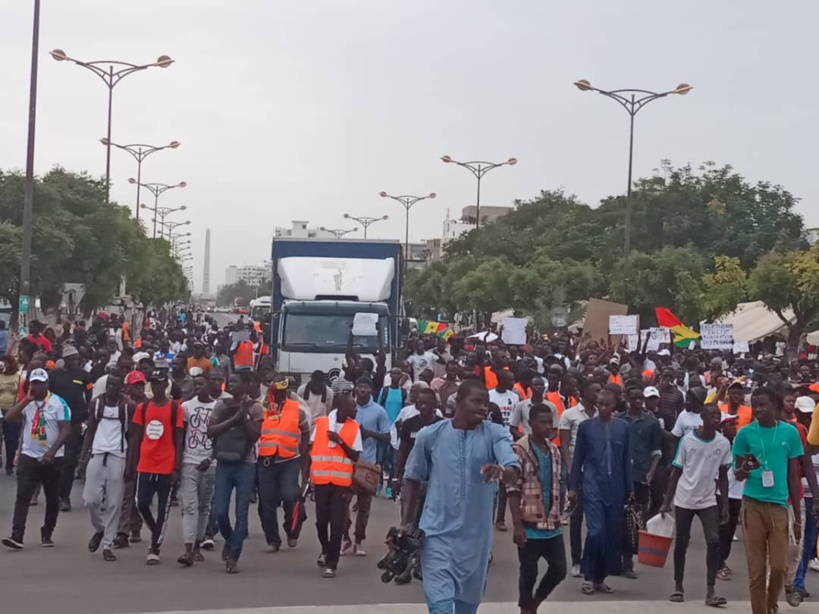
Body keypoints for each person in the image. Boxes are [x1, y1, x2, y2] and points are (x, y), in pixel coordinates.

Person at [401, 379, 520, 614]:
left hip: (475, 542)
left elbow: (513, 471)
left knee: (466, 608)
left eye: (486, 403)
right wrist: (406, 524)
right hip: (435, 534)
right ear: (458, 402)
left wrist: (502, 472)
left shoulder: (495, 434)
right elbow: (412, 479)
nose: (483, 408)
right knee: (441, 607)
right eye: (476, 402)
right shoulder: (430, 435)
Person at [733, 387, 805, 614]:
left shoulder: (790, 433)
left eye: (763, 405)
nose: (758, 410)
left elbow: (793, 476)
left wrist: (798, 518)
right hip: (752, 505)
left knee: (779, 566)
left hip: (779, 507)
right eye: (755, 405)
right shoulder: (745, 434)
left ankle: (771, 603)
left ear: (775, 405)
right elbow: (738, 474)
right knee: (756, 570)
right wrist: (746, 466)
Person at [660, 404, 730, 606]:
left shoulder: (723, 443)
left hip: (708, 499)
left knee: (714, 540)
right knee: (681, 542)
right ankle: (678, 586)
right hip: (685, 498)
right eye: (712, 415)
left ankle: (710, 591)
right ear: (703, 418)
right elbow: (676, 472)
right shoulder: (688, 440)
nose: (716, 419)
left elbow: (723, 476)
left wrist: (724, 505)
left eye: (718, 416)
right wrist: (667, 502)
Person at [568, 387, 632, 595]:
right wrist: (573, 486)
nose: (604, 408)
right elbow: (578, 458)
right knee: (596, 532)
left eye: (608, 404)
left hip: (616, 488)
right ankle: (587, 575)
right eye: (600, 404)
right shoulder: (587, 427)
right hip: (592, 485)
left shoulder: (623, 427)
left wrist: (630, 487)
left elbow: (626, 460)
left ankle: (600, 577)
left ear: (614, 405)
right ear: (596, 405)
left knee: (611, 534)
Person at [1, 368, 71, 549]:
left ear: (47, 384)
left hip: (52, 458)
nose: (37, 386)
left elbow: (65, 430)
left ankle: (47, 531)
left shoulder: (58, 403)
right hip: (29, 456)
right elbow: (9, 418)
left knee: (52, 497)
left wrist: (52, 452)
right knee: (22, 496)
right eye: (34, 383)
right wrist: (26, 401)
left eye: (40, 383)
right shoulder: (27, 404)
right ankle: (17, 535)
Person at [508, 404, 567, 614]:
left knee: (559, 568)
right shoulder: (519, 449)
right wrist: (517, 525)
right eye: (542, 422)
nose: (548, 426)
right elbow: (513, 489)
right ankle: (526, 608)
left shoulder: (553, 449)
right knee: (528, 573)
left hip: (552, 522)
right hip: (529, 523)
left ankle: (535, 601)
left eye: (550, 422)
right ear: (530, 424)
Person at [207, 372, 263, 573]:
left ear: (247, 384)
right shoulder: (222, 405)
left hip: (246, 463)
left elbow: (255, 435)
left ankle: (234, 557)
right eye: (228, 381)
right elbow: (210, 431)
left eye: (234, 381)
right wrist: (234, 418)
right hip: (224, 460)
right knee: (220, 511)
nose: (230, 384)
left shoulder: (255, 407)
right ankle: (230, 540)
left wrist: (245, 416)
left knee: (241, 513)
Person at [130, 370, 184, 565]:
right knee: (141, 503)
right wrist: (132, 463)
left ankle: (155, 547)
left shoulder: (174, 408)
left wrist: (177, 468)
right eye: (153, 383)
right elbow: (136, 437)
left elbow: (179, 438)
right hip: (145, 463)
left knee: (163, 508)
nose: (155, 387)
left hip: (166, 464)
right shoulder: (142, 408)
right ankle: (156, 529)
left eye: (159, 383)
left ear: (166, 385)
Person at [307, 393, 362, 578]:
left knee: (337, 524)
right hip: (321, 482)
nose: (355, 410)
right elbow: (311, 449)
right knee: (321, 522)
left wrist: (340, 441)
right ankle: (325, 548)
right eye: (351, 407)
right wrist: (307, 478)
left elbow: (355, 456)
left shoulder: (354, 427)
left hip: (341, 484)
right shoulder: (322, 423)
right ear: (340, 407)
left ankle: (332, 563)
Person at [80, 369, 130, 562]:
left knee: (114, 502)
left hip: (118, 454)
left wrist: (131, 463)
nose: (110, 388)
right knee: (90, 499)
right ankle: (100, 529)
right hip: (98, 452)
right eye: (108, 384)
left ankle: (108, 544)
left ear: (121, 388)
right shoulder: (96, 403)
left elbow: (132, 436)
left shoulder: (127, 406)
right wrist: (83, 458)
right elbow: (90, 430)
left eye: (114, 385)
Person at [258, 375, 310, 552]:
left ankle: (292, 529)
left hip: (289, 460)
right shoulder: (261, 406)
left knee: (289, 496)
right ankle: (273, 540)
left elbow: (305, 431)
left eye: (284, 391)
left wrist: (302, 454)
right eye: (278, 391)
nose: (282, 394)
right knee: (267, 502)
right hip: (266, 459)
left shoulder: (297, 409)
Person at [618, 384, 662, 579]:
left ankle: (628, 562)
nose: (637, 401)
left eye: (640, 398)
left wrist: (651, 472)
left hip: (640, 477)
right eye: (634, 397)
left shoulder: (651, 423)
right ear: (627, 398)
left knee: (634, 520)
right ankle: (614, 558)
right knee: (617, 517)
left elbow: (656, 451)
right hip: (620, 476)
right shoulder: (618, 420)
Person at [557, 380, 599, 578]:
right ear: (583, 393)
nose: (599, 394)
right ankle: (576, 559)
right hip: (577, 468)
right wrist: (570, 468)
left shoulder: (602, 414)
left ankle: (593, 560)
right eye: (595, 390)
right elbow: (565, 443)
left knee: (595, 518)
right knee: (577, 515)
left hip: (597, 471)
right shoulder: (570, 414)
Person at [344, 376, 389, 555]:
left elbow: (387, 437)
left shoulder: (379, 411)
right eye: (359, 387)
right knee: (342, 503)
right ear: (355, 388)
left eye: (366, 387)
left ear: (371, 390)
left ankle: (358, 540)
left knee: (364, 505)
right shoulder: (347, 407)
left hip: (367, 463)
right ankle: (345, 538)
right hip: (347, 462)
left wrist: (368, 433)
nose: (362, 390)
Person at [177, 372, 218, 566]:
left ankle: (197, 545)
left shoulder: (218, 407)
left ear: (209, 385)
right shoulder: (186, 407)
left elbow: (220, 438)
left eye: (201, 384)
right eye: (195, 385)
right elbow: (180, 436)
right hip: (190, 461)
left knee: (204, 507)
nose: (197, 388)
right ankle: (187, 549)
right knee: (189, 506)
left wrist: (211, 458)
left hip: (210, 463)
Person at [48, 345, 92, 512]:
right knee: (53, 459)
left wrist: (86, 414)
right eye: (72, 359)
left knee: (69, 460)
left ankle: (64, 497)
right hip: (55, 423)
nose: (75, 361)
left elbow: (89, 396)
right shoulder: (54, 376)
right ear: (64, 360)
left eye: (77, 358)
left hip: (74, 424)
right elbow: (48, 397)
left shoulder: (84, 376)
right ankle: (52, 494)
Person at [489, 369, 520, 532]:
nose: (512, 382)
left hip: (508, 441)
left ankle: (500, 518)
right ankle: (488, 515)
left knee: (504, 482)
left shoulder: (514, 397)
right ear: (501, 380)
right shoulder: (490, 396)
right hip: (491, 441)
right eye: (510, 379)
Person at [716, 414, 744, 582]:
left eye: (735, 424)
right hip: (722, 494)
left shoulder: (737, 444)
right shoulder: (720, 444)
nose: (734, 427)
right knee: (722, 531)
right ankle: (718, 564)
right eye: (730, 424)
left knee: (731, 530)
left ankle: (722, 560)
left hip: (738, 493)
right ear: (722, 427)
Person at [0, 354, 22, 475]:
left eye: (6, 363)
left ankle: (9, 464)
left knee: (11, 439)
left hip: (12, 411)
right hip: (0, 409)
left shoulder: (18, 378)